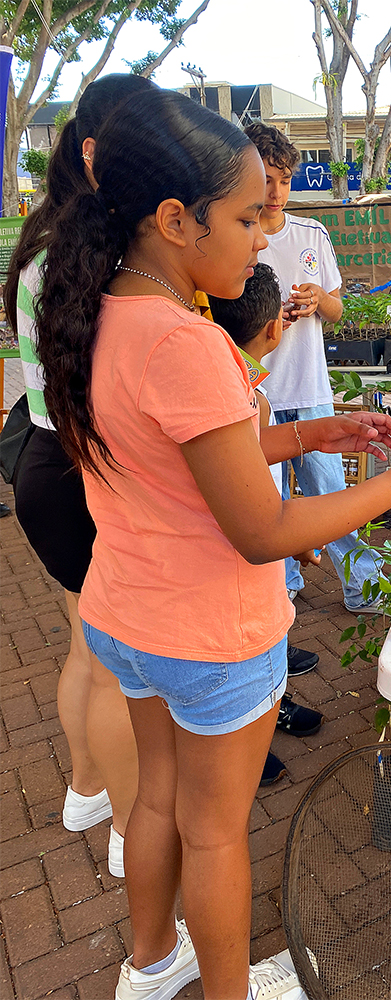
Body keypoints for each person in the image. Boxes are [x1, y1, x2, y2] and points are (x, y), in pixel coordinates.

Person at [35, 86, 391, 1000]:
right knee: (217, 830)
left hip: (129, 615)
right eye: (244, 216)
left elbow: (179, 459)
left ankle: (151, 964)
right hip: (209, 635)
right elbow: (261, 526)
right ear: (174, 220)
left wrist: (307, 436)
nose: (263, 236)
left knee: (156, 800)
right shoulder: (186, 342)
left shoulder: (101, 309)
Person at [4, 74, 156, 877]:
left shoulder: (39, 237)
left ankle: (86, 790)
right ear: (97, 152)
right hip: (81, 472)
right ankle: (133, 833)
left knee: (84, 649)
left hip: (39, 462)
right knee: (115, 664)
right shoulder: (92, 252)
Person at [242, 122, 383, 614]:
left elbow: (339, 310)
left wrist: (320, 298)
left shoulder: (312, 235)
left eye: (283, 179)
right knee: (270, 504)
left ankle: (363, 584)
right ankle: (282, 587)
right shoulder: (236, 237)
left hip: (308, 387)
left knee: (331, 494)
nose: (275, 191)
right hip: (257, 394)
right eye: (265, 179)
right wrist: (268, 315)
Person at [207, 263, 325, 785]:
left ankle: (264, 713)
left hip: (252, 552)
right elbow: (258, 511)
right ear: (277, 326)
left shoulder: (243, 386)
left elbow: (260, 468)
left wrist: (316, 435)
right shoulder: (240, 395)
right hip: (234, 566)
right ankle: (241, 743)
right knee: (233, 669)